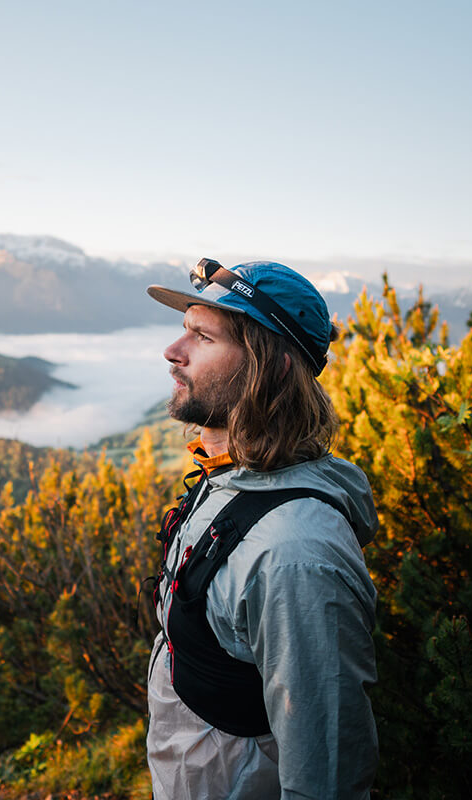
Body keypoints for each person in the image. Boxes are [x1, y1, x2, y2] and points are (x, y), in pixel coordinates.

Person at [144, 258, 379, 799]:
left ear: (266, 367)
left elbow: (327, 776)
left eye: (202, 336)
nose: (173, 352)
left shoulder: (294, 553)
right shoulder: (226, 476)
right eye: (185, 331)